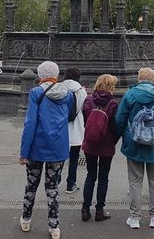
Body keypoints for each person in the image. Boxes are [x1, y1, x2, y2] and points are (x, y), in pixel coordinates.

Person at [19, 61, 74, 239]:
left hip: (37, 146)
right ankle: (54, 226)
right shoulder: (69, 95)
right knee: (53, 187)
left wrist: (24, 152)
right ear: (57, 75)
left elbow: (30, 123)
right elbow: (70, 117)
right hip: (58, 147)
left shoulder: (36, 93)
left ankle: (26, 219)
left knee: (31, 185)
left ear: (40, 75)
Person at [115, 67, 154, 230]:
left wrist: (125, 135)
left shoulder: (129, 95)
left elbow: (119, 119)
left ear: (139, 79)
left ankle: (134, 217)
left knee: (135, 181)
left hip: (133, 144)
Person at [80, 74, 119, 222]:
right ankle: (99, 211)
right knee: (103, 178)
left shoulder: (88, 100)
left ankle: (85, 209)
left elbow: (85, 121)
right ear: (110, 87)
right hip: (106, 145)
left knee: (90, 175)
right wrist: (113, 141)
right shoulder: (113, 104)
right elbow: (116, 127)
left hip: (90, 143)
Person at [59, 67, 87, 194]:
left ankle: (55, 180)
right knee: (74, 159)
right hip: (76, 128)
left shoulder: (58, 88)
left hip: (61, 127)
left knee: (59, 158)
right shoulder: (81, 91)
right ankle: (71, 184)